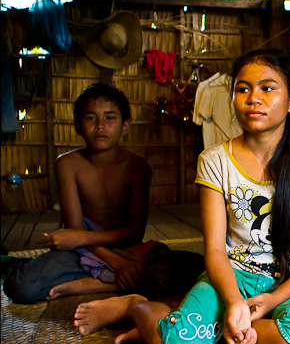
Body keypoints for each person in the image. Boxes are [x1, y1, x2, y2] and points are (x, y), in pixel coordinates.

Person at [72, 48, 290, 344]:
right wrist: (233, 301)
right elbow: (214, 251)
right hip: (230, 277)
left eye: (268, 88)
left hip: (286, 287)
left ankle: (213, 333)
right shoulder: (214, 161)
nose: (254, 98)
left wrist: (271, 301)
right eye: (243, 88)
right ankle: (134, 306)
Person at [2, 83, 204, 304]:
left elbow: (135, 233)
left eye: (110, 118)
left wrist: (99, 247)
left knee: (191, 269)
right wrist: (114, 262)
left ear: (125, 126)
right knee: (20, 287)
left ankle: (96, 283)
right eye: (90, 118)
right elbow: (75, 231)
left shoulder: (138, 167)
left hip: (129, 249)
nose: (100, 126)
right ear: (78, 125)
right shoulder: (68, 164)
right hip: (81, 251)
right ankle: (32, 267)